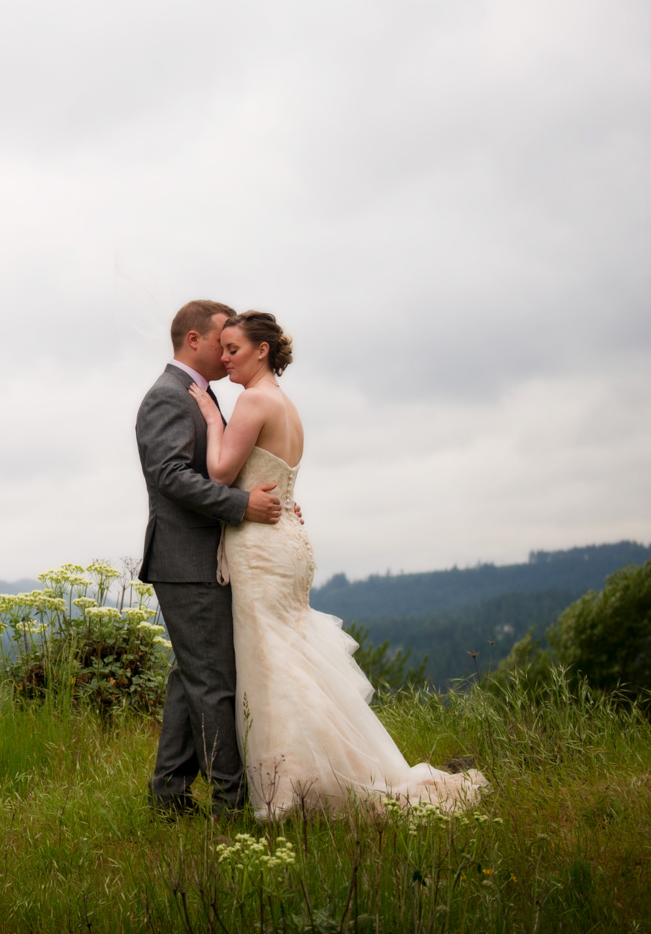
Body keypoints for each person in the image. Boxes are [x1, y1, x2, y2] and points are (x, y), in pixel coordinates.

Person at [189, 309, 487, 820]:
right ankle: (323, 770)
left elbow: (219, 470)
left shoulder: (253, 400)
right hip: (286, 541)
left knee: (272, 660)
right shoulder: (285, 404)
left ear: (262, 350)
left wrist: (213, 419)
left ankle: (301, 785)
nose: (225, 358)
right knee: (290, 656)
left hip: (262, 548)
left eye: (233, 349)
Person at [136, 300, 283, 817]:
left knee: (192, 676)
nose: (226, 352)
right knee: (214, 682)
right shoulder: (167, 397)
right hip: (186, 559)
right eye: (221, 339)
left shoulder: (201, 395)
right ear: (192, 340)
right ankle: (230, 803)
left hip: (205, 557)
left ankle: (169, 795)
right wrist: (244, 506)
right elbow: (171, 477)